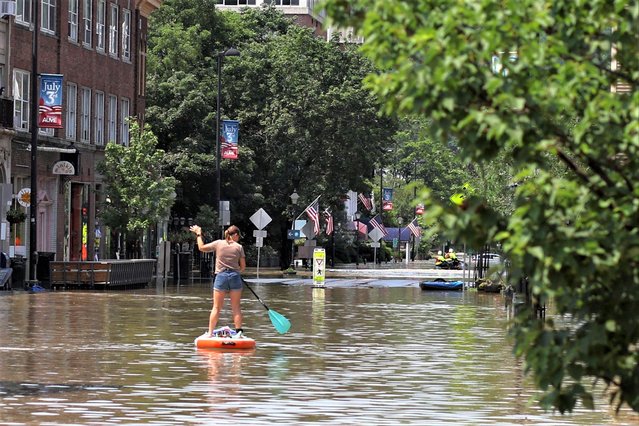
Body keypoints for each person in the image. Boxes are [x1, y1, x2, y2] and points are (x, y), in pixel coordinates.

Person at [190, 224, 246, 338]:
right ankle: (239, 332)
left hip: (221, 276)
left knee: (216, 307)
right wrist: (236, 271)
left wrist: (199, 234)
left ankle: (210, 333)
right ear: (235, 235)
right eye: (238, 236)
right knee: (236, 307)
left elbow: (201, 247)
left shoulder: (218, 243)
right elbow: (243, 267)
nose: (238, 238)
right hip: (235, 276)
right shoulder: (239, 247)